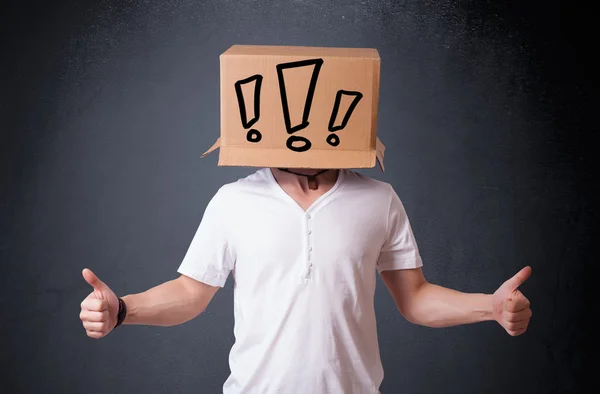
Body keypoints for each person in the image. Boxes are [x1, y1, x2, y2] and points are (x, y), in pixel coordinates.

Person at [79, 168, 532, 393]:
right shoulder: (234, 200)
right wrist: (122, 310)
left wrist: (489, 308)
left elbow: (415, 298)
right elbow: (191, 293)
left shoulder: (378, 198)